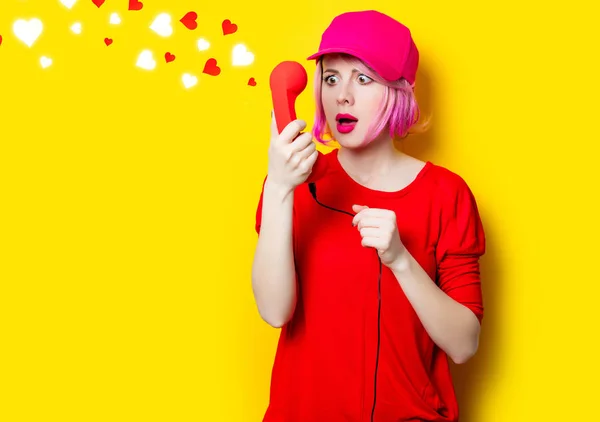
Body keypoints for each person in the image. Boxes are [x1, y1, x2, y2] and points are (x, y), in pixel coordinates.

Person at [251, 9, 486, 422]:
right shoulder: (295, 184)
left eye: (363, 79)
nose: (342, 95)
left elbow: (464, 345)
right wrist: (280, 187)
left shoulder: (446, 195)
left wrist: (400, 259)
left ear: (400, 91)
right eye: (331, 78)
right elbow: (274, 311)